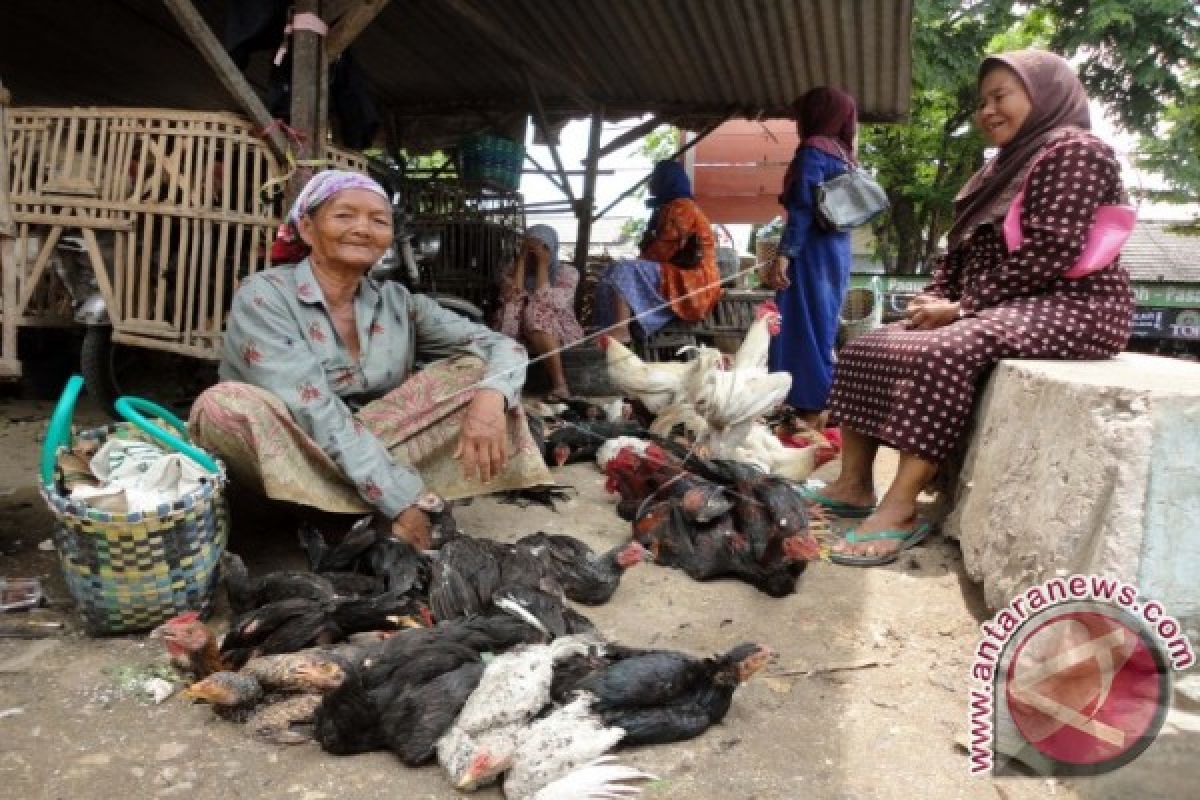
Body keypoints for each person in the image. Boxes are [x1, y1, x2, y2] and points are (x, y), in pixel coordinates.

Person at [803, 50, 1133, 566]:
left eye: (1000, 96)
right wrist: (935, 298)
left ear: (1043, 95)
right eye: (982, 102)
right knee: (870, 343)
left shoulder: (1076, 152)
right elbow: (958, 254)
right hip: (1000, 302)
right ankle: (853, 486)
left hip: (1072, 304)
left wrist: (960, 308)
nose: (987, 111)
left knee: (948, 349)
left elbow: (1055, 249)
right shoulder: (996, 171)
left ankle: (901, 507)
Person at [189, 170, 552, 548]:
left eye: (378, 220)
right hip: (293, 448)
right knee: (224, 405)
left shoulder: (399, 302)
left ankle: (341, 512)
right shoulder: (264, 296)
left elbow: (502, 346)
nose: (362, 228)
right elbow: (312, 409)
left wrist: (492, 397)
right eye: (344, 215)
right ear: (308, 229)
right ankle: (357, 507)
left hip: (372, 441)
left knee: (479, 372)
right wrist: (402, 500)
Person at [761, 87, 858, 428]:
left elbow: (802, 206)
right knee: (822, 327)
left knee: (799, 326)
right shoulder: (845, 155)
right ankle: (819, 403)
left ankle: (808, 407)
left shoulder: (813, 151)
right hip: (837, 254)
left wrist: (785, 255)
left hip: (810, 253)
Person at [596, 160, 721, 342]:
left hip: (695, 280)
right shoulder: (669, 207)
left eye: (654, 178)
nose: (650, 184)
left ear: (665, 181)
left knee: (623, 269)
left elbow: (662, 252)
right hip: (681, 273)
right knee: (610, 272)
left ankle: (621, 328)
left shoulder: (681, 208)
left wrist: (638, 261)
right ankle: (610, 330)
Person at [494, 224, 584, 402]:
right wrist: (521, 262)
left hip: (558, 331)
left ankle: (560, 384)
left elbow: (547, 301)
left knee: (536, 310)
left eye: (543, 247)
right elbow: (513, 297)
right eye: (531, 247)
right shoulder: (510, 271)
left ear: (552, 248)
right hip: (517, 330)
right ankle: (504, 385)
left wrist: (543, 264)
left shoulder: (568, 273)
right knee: (512, 308)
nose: (535, 253)